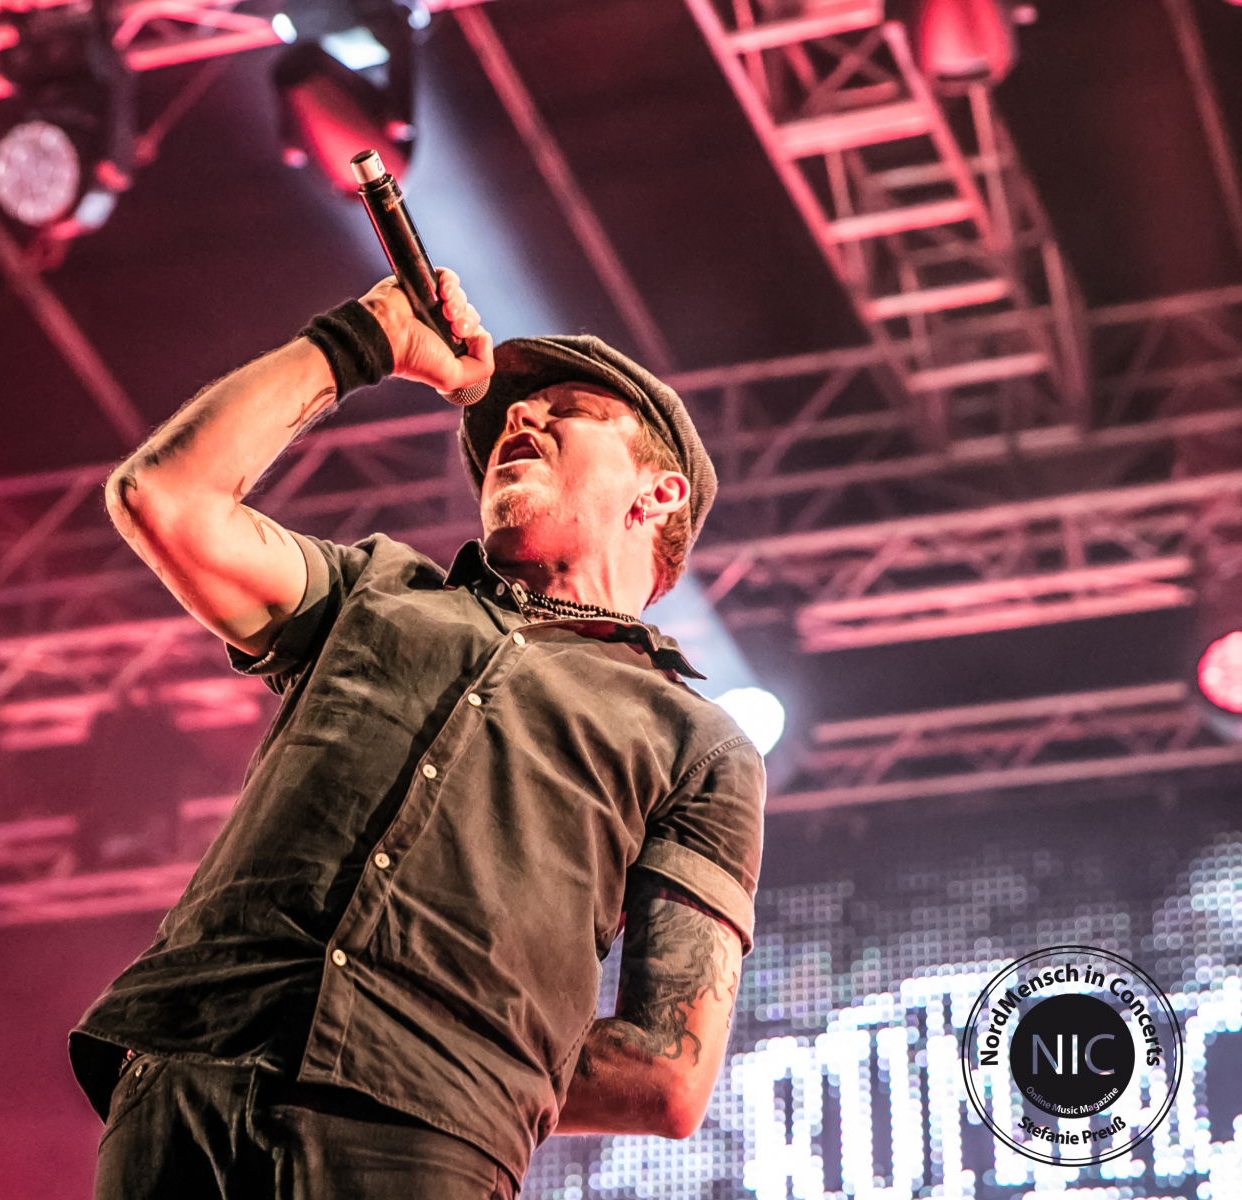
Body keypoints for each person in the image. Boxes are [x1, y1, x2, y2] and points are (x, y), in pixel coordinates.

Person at [71, 269, 766, 1199]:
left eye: (567, 410)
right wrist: (366, 338)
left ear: (660, 492)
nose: (521, 417)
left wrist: (451, 1060)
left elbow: (667, 1071)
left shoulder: (696, 743)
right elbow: (164, 497)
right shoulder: (373, 591)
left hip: (423, 1136)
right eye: (512, 414)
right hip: (183, 1082)